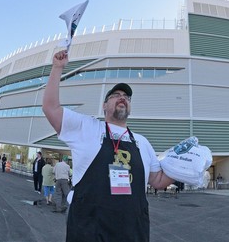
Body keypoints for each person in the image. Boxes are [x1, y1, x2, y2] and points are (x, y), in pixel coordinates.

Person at [42, 50, 175, 241]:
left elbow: (158, 180)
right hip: (89, 230)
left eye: (127, 97)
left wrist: (185, 166)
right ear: (104, 106)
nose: (123, 98)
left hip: (132, 231)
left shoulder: (142, 142)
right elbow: (50, 107)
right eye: (116, 95)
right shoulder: (86, 128)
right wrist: (57, 68)